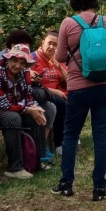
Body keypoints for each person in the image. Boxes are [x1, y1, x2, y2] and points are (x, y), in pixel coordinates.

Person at [53, 0, 106, 201]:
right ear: (94, 1)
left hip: (78, 88)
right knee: (101, 136)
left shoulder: (68, 23)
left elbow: (60, 56)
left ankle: (66, 183)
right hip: (103, 87)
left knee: (71, 134)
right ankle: (99, 187)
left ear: (74, 2)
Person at [0, 44, 54, 180]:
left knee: (36, 116)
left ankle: (37, 161)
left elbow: (27, 96)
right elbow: (2, 103)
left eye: (22, 63)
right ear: (8, 59)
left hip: (12, 106)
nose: (18, 65)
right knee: (13, 118)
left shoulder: (24, 73)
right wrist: (28, 109)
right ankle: (15, 167)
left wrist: (35, 108)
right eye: (15, 61)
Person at [33, 30, 68, 159]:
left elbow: (68, 80)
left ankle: (71, 138)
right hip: (41, 94)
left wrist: (59, 68)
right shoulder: (33, 58)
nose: (51, 47)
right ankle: (59, 144)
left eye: (55, 45)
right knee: (60, 103)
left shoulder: (58, 59)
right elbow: (31, 84)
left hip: (59, 93)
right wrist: (53, 92)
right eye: (49, 43)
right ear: (43, 43)